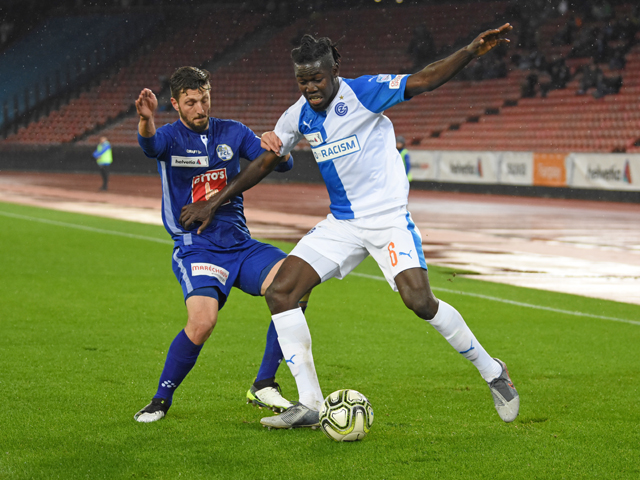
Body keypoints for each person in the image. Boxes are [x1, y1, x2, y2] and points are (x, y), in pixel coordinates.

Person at [180, 24, 519, 430]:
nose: (310, 88)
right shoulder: (297, 115)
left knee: (419, 302)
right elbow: (266, 162)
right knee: (282, 290)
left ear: (334, 70)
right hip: (342, 224)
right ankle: (309, 403)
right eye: (303, 81)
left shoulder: (364, 92)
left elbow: (424, 79)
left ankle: (493, 371)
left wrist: (469, 51)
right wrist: (214, 202)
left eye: (317, 78)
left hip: (388, 219)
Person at [133, 66, 312, 423]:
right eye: (190, 102)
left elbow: (281, 164)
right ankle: (160, 400)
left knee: (298, 282)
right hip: (197, 247)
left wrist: (277, 144)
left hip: (240, 246)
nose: (200, 108)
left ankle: (264, 383)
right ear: (175, 104)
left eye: (204, 99)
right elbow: (150, 145)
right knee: (203, 322)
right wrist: (146, 120)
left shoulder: (232, 132)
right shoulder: (170, 137)